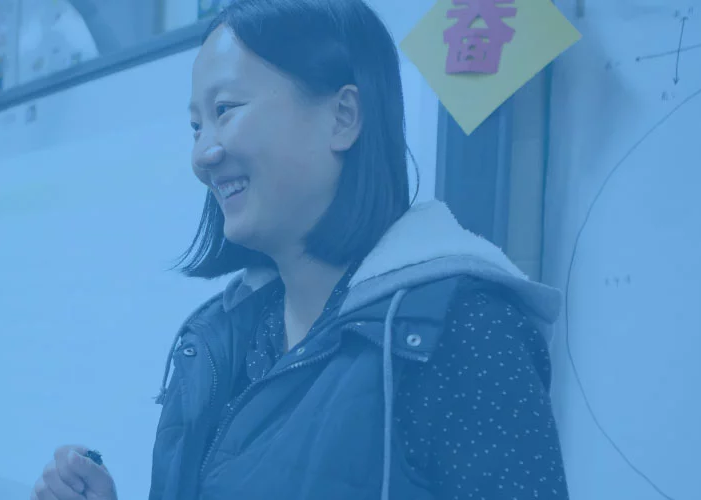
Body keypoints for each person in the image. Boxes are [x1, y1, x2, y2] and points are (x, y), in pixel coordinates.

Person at [30, 0, 568, 498]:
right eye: (196, 126)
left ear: (343, 117)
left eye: (226, 109)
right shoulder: (223, 335)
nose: (202, 154)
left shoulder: (463, 329)